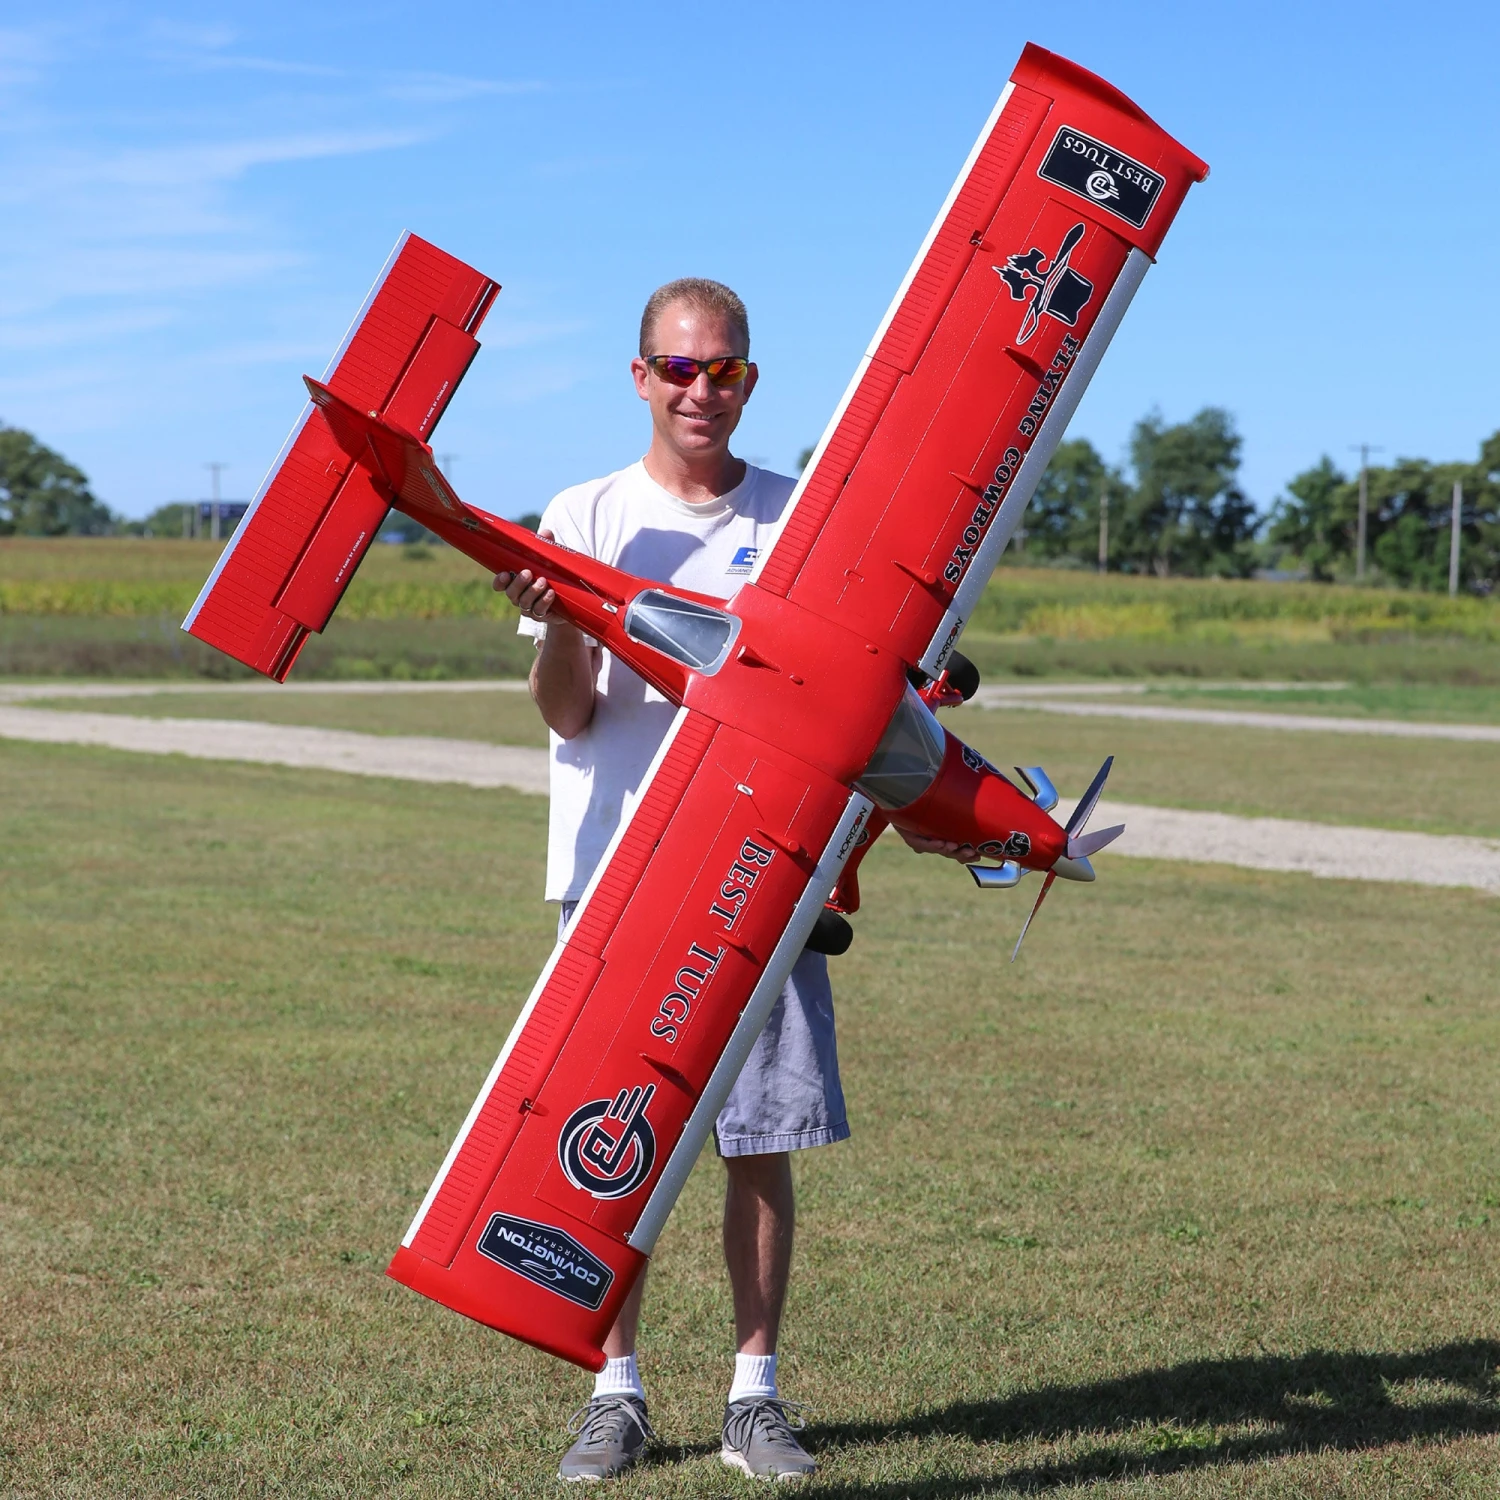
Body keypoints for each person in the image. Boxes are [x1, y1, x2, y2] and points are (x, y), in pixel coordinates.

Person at [495, 277, 971, 1483]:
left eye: (726, 370)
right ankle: (614, 1393)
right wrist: (564, 621)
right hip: (617, 870)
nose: (701, 390)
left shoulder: (804, 519)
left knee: (758, 1139)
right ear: (640, 376)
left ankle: (753, 1396)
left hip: (768, 872)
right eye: (679, 367)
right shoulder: (585, 513)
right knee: (606, 1138)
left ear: (750, 380)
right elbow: (568, 715)